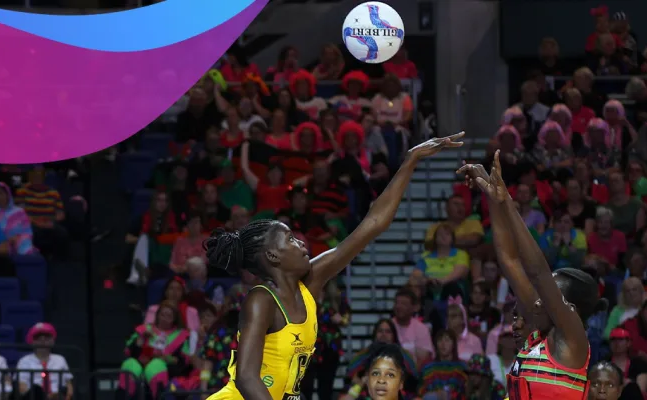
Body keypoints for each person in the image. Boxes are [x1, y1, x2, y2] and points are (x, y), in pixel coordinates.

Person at [206, 132, 464, 400]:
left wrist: (410, 160)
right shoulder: (261, 299)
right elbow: (247, 379)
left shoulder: (311, 282)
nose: (302, 242)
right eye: (290, 239)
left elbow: (373, 224)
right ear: (273, 257)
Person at [459, 150, 605, 400]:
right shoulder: (538, 334)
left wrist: (508, 202)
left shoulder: (573, 340)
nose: (537, 300)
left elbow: (538, 271)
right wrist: (493, 198)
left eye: (547, 296)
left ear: (569, 308)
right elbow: (509, 260)